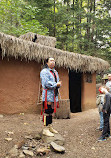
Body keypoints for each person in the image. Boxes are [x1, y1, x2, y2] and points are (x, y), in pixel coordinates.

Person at [40, 57, 62, 137]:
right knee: (47, 110)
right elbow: (46, 83)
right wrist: (56, 84)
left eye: (54, 61)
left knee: (51, 111)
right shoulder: (44, 71)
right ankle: (45, 129)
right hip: (48, 94)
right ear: (47, 63)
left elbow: (57, 81)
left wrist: (58, 84)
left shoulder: (55, 72)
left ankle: (50, 127)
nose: (53, 62)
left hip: (54, 94)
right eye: (51, 60)